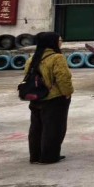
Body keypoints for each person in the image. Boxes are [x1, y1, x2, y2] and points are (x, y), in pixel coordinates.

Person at [25, 32, 73, 165]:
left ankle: (35, 156)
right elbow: (63, 78)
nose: (61, 42)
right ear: (52, 42)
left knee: (36, 127)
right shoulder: (57, 58)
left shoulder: (32, 58)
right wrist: (67, 92)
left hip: (35, 97)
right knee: (53, 128)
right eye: (60, 40)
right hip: (54, 97)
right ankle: (49, 156)